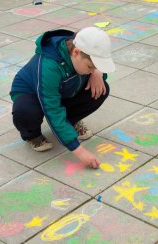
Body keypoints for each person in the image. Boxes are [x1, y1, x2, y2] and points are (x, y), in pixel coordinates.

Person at [10, 26, 115, 169]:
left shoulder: (80, 55)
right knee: (26, 111)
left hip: (62, 90)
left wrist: (97, 73)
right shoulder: (49, 65)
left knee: (100, 89)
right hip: (31, 93)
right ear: (76, 52)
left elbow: (94, 65)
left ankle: (69, 123)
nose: (91, 70)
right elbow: (52, 109)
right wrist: (79, 151)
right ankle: (32, 135)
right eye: (90, 66)